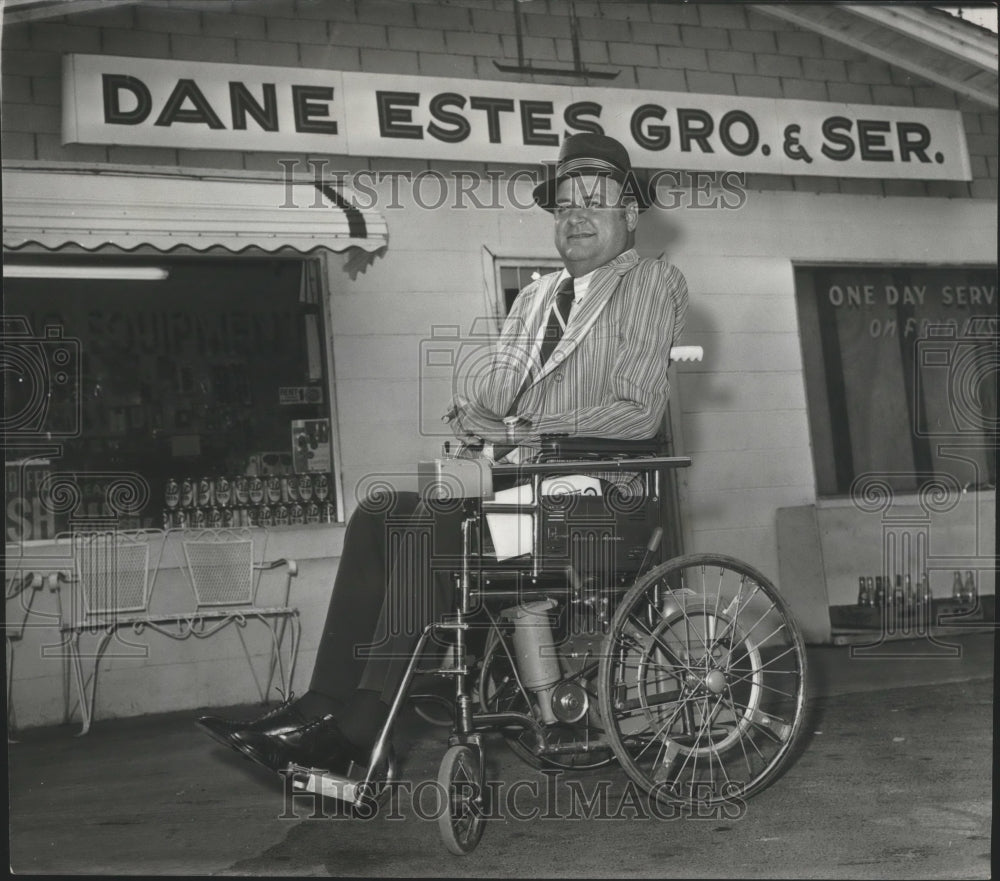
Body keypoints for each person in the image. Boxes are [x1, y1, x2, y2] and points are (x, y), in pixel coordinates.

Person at [196, 133, 689, 774]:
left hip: (602, 501)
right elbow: (490, 394)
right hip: (527, 495)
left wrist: (530, 426)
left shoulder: (651, 282)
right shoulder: (539, 297)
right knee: (379, 513)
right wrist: (482, 407)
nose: (575, 215)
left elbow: (639, 410)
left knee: (435, 521)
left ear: (630, 213)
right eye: (564, 204)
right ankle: (320, 705)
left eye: (595, 201)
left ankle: (361, 731)